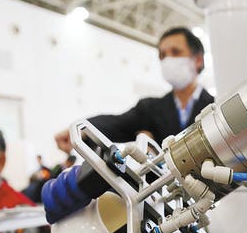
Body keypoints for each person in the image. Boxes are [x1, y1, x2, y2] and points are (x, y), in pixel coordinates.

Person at [55, 27, 214, 152]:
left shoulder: (216, 107)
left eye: (176, 52)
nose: (167, 60)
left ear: (198, 60)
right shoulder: (149, 108)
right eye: (162, 55)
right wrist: (81, 129)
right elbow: (117, 123)